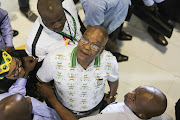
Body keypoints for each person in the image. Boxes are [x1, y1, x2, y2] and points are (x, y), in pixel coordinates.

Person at [36, 26, 119, 118]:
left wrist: (111, 97)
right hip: (62, 110)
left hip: (94, 110)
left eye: (95, 45)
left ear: (101, 51)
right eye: (84, 40)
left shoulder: (109, 61)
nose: (87, 47)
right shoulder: (55, 58)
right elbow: (42, 81)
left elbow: (114, 79)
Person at [80, 86, 172, 120]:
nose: (129, 93)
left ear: (141, 115)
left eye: (133, 99)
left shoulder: (113, 114)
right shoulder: (163, 117)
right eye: (135, 90)